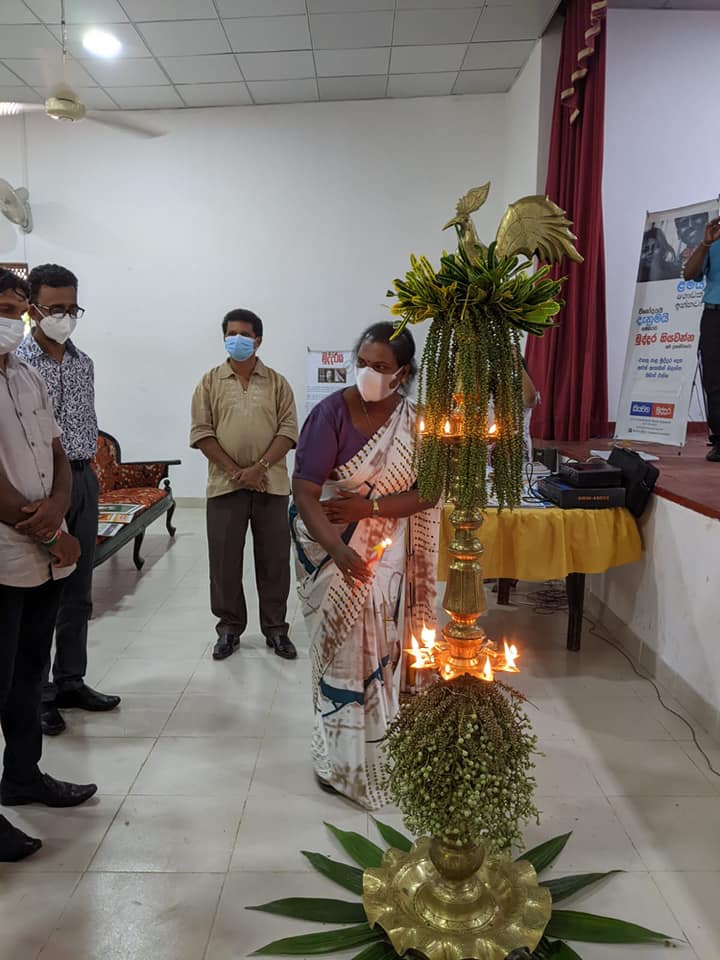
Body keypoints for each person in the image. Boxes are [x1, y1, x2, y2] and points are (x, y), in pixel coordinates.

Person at [291, 322, 440, 810]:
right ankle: (339, 762)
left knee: (379, 647)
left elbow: (429, 492)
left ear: (403, 373)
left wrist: (369, 509)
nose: (368, 373)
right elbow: (305, 492)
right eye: (362, 363)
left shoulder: (414, 422)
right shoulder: (330, 414)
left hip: (385, 549)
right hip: (330, 548)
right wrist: (339, 551)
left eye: (380, 366)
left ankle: (378, 749)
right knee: (342, 652)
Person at [0, 269, 97, 861]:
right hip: (7, 549)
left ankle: (23, 775)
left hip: (44, 545)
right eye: (3, 309)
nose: (10, 322)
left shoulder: (27, 375)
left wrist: (60, 509)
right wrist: (49, 528)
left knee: (28, 671)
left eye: (14, 311)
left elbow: (58, 450)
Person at [17, 264, 120, 737]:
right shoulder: (17, 365)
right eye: (54, 308)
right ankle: (36, 694)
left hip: (83, 477)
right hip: (38, 488)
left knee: (79, 589)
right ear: (32, 310)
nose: (64, 317)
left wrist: (87, 481)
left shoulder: (83, 363)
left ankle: (70, 680)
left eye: (71, 308)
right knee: (41, 593)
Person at [190, 308, 299, 661]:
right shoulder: (209, 382)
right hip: (225, 486)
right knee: (224, 562)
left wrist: (259, 467)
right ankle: (229, 628)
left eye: (244, 334)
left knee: (274, 561)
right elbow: (201, 432)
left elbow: (288, 430)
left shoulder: (277, 383)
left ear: (258, 340)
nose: (237, 339)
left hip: (271, 485)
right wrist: (236, 471)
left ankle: (276, 629)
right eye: (231, 333)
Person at [682, 215, 720, 462]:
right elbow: (689, 274)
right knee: (714, 381)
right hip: (715, 316)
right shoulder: (712, 241)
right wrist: (705, 244)